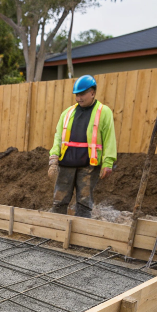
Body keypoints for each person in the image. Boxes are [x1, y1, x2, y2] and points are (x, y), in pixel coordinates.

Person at [48, 75, 116, 218]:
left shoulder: (103, 112)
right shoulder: (67, 113)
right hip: (66, 162)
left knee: (84, 202)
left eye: (82, 94)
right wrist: (53, 158)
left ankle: (80, 235)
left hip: (88, 165)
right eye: (77, 95)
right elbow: (58, 136)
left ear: (92, 93)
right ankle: (55, 231)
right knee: (59, 200)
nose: (79, 98)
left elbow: (109, 138)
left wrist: (108, 162)